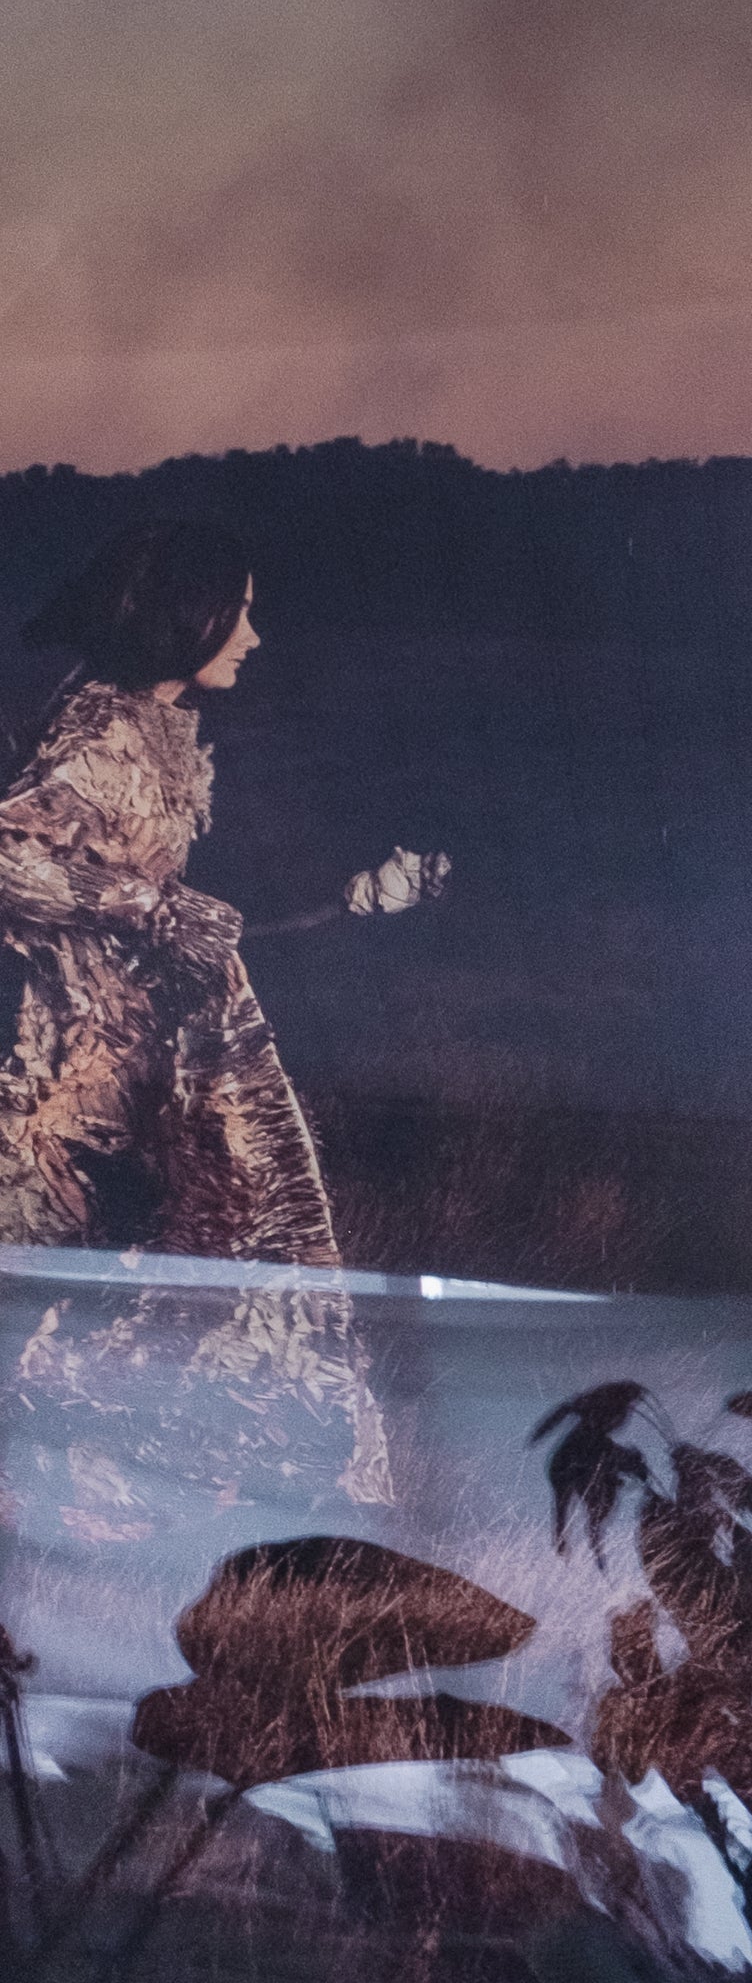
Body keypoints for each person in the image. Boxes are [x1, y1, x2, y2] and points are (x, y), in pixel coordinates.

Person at [0, 514, 392, 1533]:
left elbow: (192, 894)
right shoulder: (99, 729)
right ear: (189, 616)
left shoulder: (154, 721)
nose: (253, 636)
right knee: (119, 1280)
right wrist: (153, 910)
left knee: (216, 1267)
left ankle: (196, 1512)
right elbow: (11, 856)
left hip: (165, 1052)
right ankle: (113, 1517)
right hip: (91, 1064)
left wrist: (347, 898)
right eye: (241, 613)